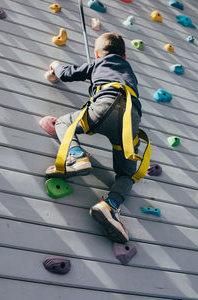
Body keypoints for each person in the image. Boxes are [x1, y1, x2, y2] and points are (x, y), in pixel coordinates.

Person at [45, 32, 142, 244]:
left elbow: (69, 73)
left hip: (106, 105)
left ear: (97, 55)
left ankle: (77, 156)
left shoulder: (98, 64)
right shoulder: (128, 71)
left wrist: (55, 66)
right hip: (129, 121)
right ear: (124, 57)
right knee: (127, 174)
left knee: (64, 123)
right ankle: (110, 205)